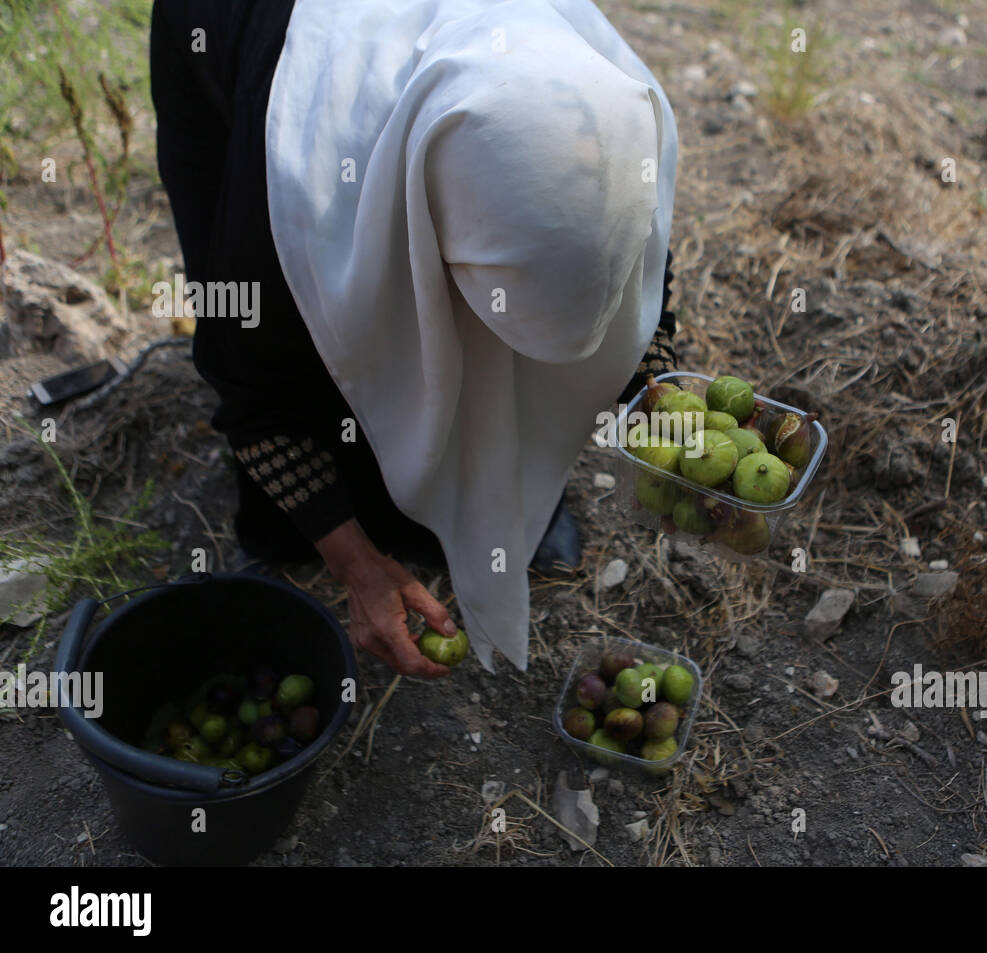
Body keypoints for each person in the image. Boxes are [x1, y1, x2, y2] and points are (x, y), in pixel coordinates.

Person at [150, 0, 679, 678]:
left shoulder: (617, 115)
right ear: (421, 216)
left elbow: (638, 279)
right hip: (239, 25)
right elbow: (254, 391)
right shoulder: (294, 171)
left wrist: (658, 400)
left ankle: (471, 509)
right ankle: (300, 521)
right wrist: (356, 566)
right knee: (283, 324)